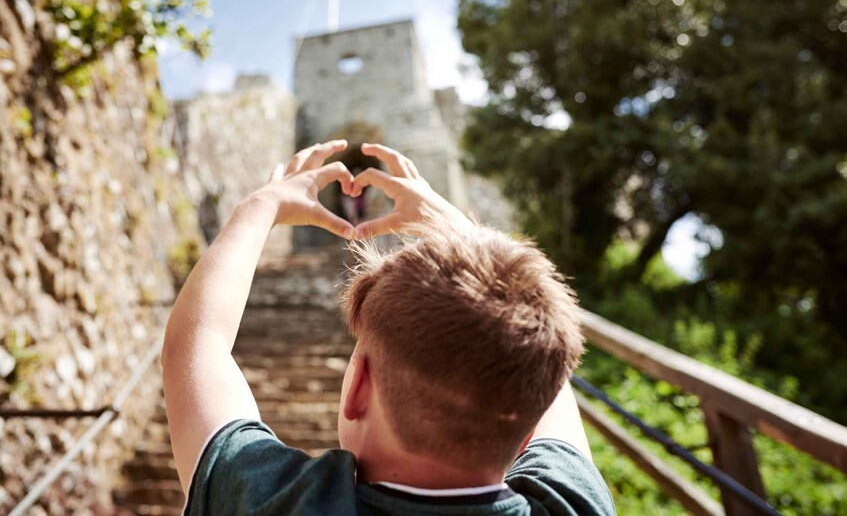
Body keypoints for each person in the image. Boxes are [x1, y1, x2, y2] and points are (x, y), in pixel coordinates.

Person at [162, 139, 616, 515]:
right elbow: (539, 363)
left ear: (359, 385)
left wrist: (260, 206)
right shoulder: (571, 505)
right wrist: (462, 236)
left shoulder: (274, 500)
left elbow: (198, 345)